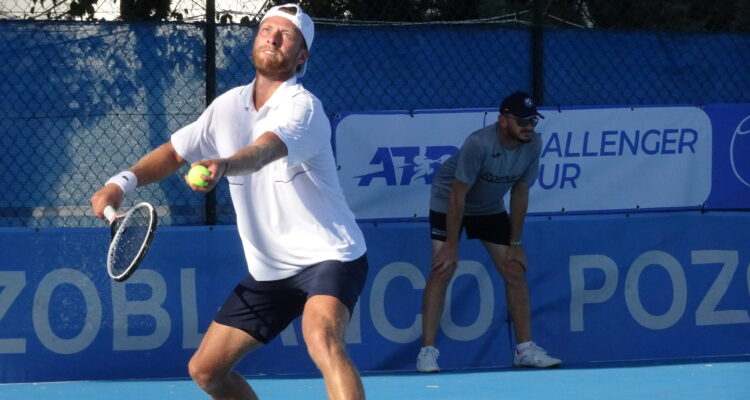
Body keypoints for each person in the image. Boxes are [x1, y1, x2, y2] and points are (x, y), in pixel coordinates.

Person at [90, 4, 368, 399]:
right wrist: (122, 182)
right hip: (270, 269)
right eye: (266, 29)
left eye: (285, 35)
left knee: (321, 337)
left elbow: (265, 150)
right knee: (206, 372)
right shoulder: (227, 106)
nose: (272, 37)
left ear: (301, 55)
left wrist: (224, 164)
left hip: (329, 255)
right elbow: (174, 152)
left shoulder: (303, 107)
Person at [416, 91, 561, 372]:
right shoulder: (479, 143)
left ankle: (524, 350)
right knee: (443, 269)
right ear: (503, 120)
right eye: (521, 121)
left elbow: (520, 192)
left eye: (532, 120)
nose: (528, 126)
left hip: (488, 207)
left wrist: (516, 242)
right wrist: (451, 247)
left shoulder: (534, 144)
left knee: (514, 269)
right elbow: (458, 196)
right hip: (449, 202)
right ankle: (427, 352)